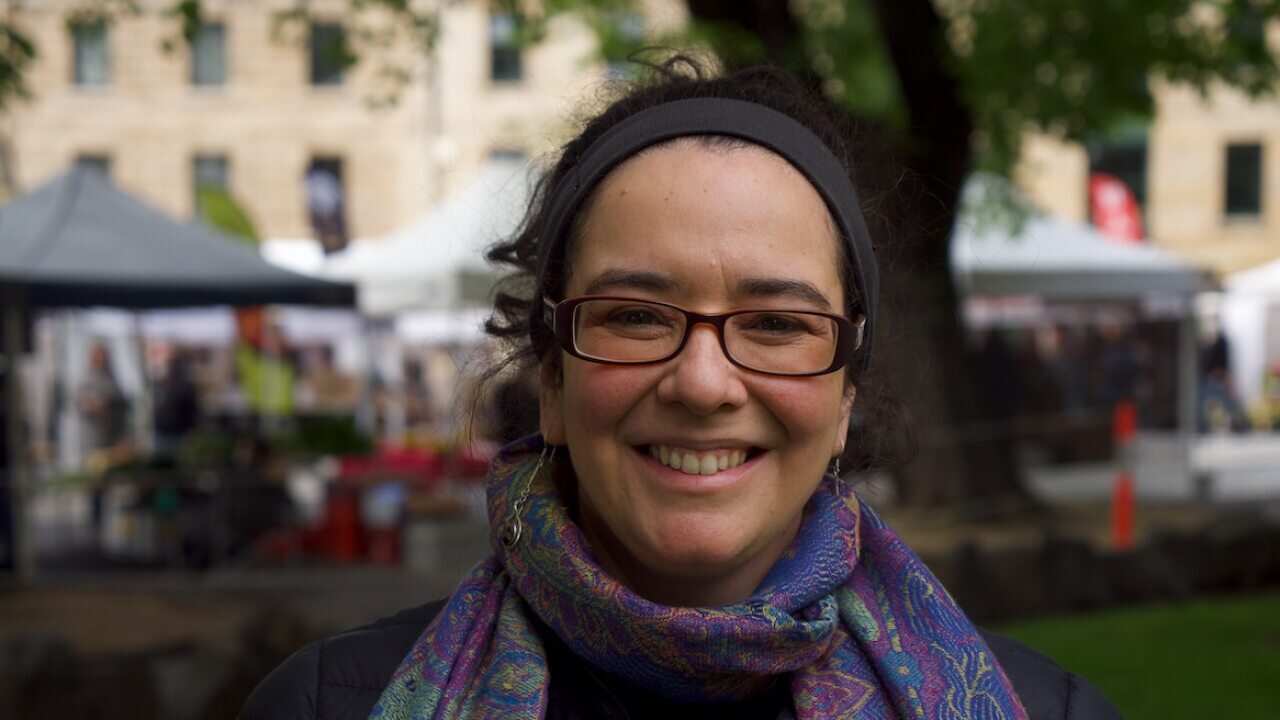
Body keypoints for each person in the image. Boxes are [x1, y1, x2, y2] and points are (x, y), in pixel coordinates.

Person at [243, 59, 1119, 720]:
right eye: (635, 317)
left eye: (777, 325)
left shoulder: (1049, 711)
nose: (704, 383)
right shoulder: (331, 705)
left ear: (847, 398)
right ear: (550, 377)